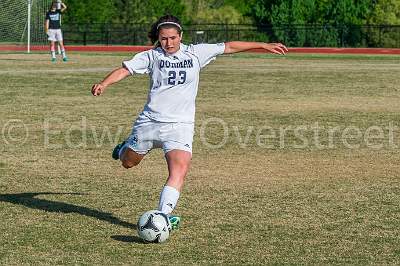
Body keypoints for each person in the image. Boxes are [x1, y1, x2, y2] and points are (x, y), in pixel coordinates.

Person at [91, 15, 288, 230]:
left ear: (181, 36)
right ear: (158, 38)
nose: (169, 43)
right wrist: (104, 83)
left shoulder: (195, 53)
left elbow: (229, 46)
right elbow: (124, 70)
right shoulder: (151, 56)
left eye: (173, 38)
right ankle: (123, 148)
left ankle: (163, 216)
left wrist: (262, 44)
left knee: (179, 170)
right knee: (128, 162)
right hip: (150, 123)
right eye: (164, 38)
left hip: (180, 126)